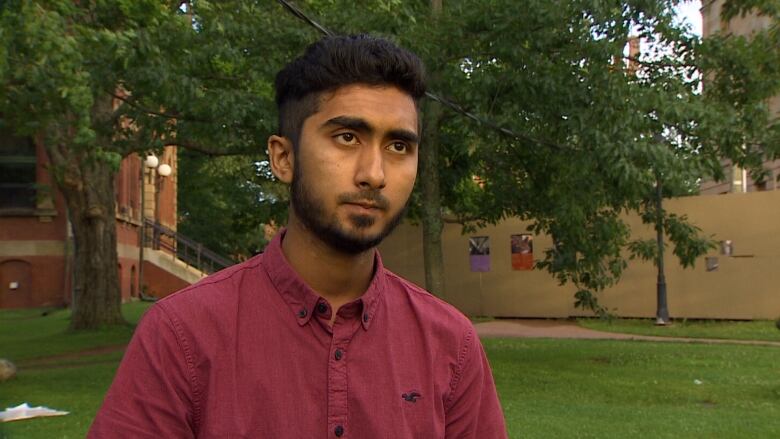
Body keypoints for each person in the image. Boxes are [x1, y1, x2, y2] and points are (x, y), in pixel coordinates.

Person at [89, 34, 507, 438]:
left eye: (398, 146)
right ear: (283, 157)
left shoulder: (451, 344)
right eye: (347, 137)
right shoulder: (182, 334)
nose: (374, 174)